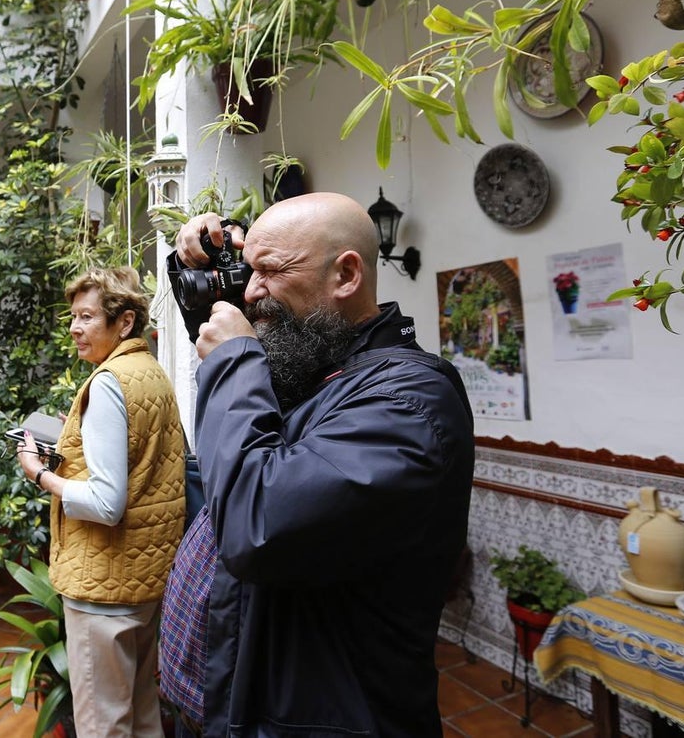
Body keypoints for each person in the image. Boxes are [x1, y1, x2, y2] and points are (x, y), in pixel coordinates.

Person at [160, 194, 475, 737]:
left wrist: (234, 361)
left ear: (346, 274)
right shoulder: (315, 361)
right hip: (243, 703)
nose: (252, 290)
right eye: (247, 270)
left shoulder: (408, 401)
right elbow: (257, 398)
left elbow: (258, 523)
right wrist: (197, 275)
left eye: (270, 270)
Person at [16, 266, 185, 738]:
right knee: (142, 711)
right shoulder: (150, 371)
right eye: (73, 316)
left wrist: (42, 473)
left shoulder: (109, 383)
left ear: (124, 322)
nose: (74, 327)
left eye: (87, 317)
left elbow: (108, 502)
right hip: (146, 577)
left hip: (104, 587)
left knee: (103, 724)